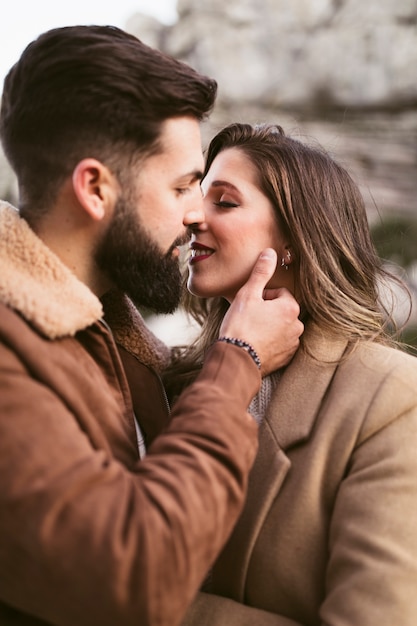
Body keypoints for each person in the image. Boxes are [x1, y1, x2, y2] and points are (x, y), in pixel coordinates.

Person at [0, 29, 304, 626]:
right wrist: (237, 357)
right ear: (94, 188)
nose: (197, 215)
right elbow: (134, 578)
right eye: (183, 186)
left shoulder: (114, 331)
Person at [164, 122, 417, 626]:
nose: (193, 216)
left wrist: (153, 611)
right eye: (196, 196)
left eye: (225, 202)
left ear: (295, 238)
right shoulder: (173, 383)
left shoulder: (391, 396)